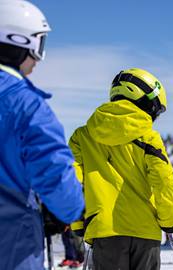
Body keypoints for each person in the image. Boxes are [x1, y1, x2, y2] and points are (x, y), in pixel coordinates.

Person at [0, 1, 85, 269]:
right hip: (11, 242)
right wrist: (68, 209)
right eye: (39, 46)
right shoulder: (25, 104)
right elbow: (53, 169)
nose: (38, 58)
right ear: (18, 42)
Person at [68, 68, 173, 270]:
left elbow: (73, 182)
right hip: (145, 232)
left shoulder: (82, 137)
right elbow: (164, 182)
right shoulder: (149, 138)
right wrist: (169, 220)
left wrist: (77, 223)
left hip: (104, 232)